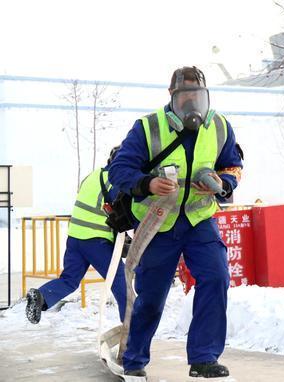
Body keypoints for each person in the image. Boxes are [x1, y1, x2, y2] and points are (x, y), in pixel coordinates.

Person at [109, 66, 242, 378]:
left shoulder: (220, 126)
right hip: (159, 224)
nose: (192, 102)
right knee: (152, 297)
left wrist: (221, 183)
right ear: (172, 96)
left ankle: (204, 358)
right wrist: (147, 184)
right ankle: (134, 358)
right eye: (186, 96)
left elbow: (234, 167)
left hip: (199, 221)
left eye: (198, 95)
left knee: (216, 278)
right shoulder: (148, 127)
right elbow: (120, 170)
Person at [26, 147, 127, 324]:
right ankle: (131, 333)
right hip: (97, 240)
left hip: (75, 238)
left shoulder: (92, 176)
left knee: (69, 280)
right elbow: (124, 208)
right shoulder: (116, 179)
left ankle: (41, 296)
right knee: (121, 282)